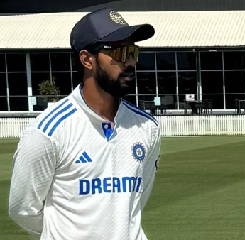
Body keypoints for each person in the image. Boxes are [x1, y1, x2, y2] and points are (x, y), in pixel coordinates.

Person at [9, 8, 161, 240]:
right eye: (120, 52)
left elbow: (136, 200)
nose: (130, 62)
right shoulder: (48, 131)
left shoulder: (146, 127)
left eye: (133, 51)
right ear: (87, 59)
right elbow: (23, 209)